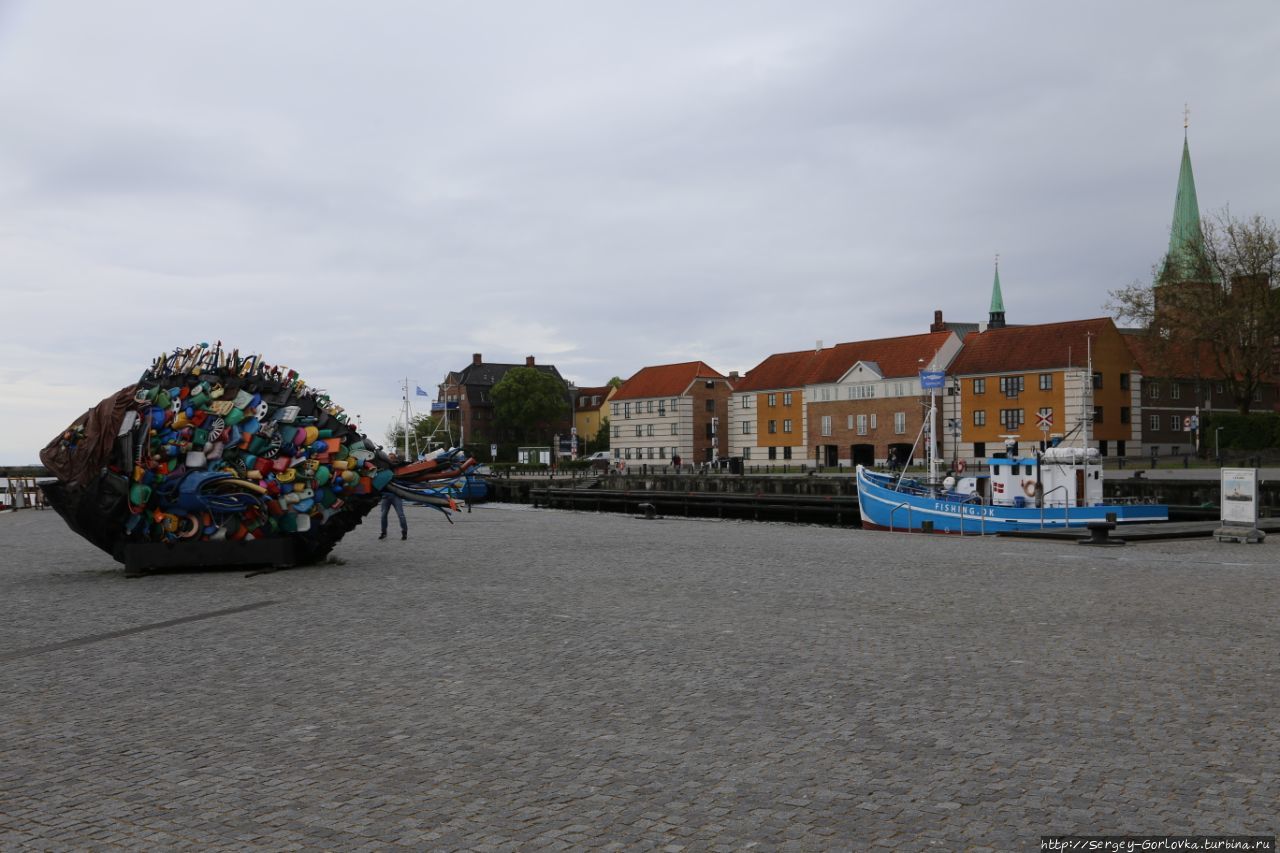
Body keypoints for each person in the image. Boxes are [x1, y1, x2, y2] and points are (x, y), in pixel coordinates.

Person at [380, 453, 408, 540]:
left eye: (392, 458)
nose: (390, 459)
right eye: (389, 458)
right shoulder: (383, 467)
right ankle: (383, 532)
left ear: (394, 459)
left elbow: (404, 463)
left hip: (396, 495)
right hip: (385, 496)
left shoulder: (396, 467)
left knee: (401, 515)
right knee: (383, 515)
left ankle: (404, 532)